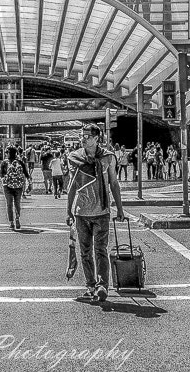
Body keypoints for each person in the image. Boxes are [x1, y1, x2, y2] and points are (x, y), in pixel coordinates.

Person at [66, 125, 125, 303]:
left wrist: (120, 209)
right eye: (82, 136)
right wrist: (68, 211)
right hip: (81, 212)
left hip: (102, 211)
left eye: (88, 136)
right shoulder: (74, 158)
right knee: (85, 252)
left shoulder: (108, 158)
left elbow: (114, 184)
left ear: (97, 138)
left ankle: (102, 286)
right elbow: (72, 186)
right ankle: (91, 285)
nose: (83, 139)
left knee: (100, 250)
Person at [0, 146, 29, 230]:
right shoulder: (19, 162)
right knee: (17, 203)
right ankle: (17, 218)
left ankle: (11, 222)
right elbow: (26, 173)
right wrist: (29, 182)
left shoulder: (4, 163)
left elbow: (1, 174)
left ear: (8, 153)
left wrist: (4, 180)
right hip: (19, 186)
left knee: (9, 204)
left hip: (7, 186)